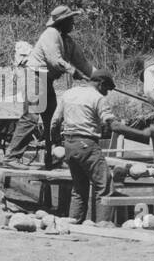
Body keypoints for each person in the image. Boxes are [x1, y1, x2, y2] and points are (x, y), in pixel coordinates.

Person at [49, 72, 148, 224]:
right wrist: (142, 134)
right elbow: (114, 125)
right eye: (106, 89)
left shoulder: (68, 94)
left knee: (79, 187)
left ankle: (74, 221)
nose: (107, 93)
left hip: (69, 144)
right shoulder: (97, 98)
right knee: (105, 185)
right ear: (100, 84)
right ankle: (103, 224)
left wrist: (56, 143)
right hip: (87, 144)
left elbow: (55, 121)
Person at [6, 5, 93, 167]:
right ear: (63, 21)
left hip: (46, 79)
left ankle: (52, 157)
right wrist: (73, 71)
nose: (73, 23)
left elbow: (83, 64)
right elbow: (55, 60)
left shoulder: (68, 41)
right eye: (71, 20)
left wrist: (98, 77)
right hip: (35, 76)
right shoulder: (50, 35)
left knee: (52, 119)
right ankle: (11, 157)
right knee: (32, 116)